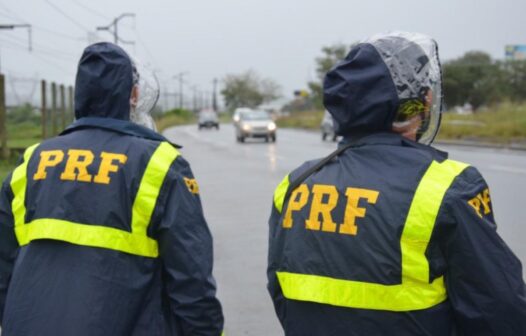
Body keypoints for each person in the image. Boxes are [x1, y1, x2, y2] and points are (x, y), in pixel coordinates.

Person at [267, 31, 526, 335]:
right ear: (421, 103)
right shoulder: (447, 185)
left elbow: (280, 290)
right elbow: (498, 309)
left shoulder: (297, 183)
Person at [0, 42, 224, 335]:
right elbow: (191, 281)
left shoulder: (29, 164)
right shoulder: (160, 164)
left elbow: (4, 270)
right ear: (133, 95)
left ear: (79, 95)